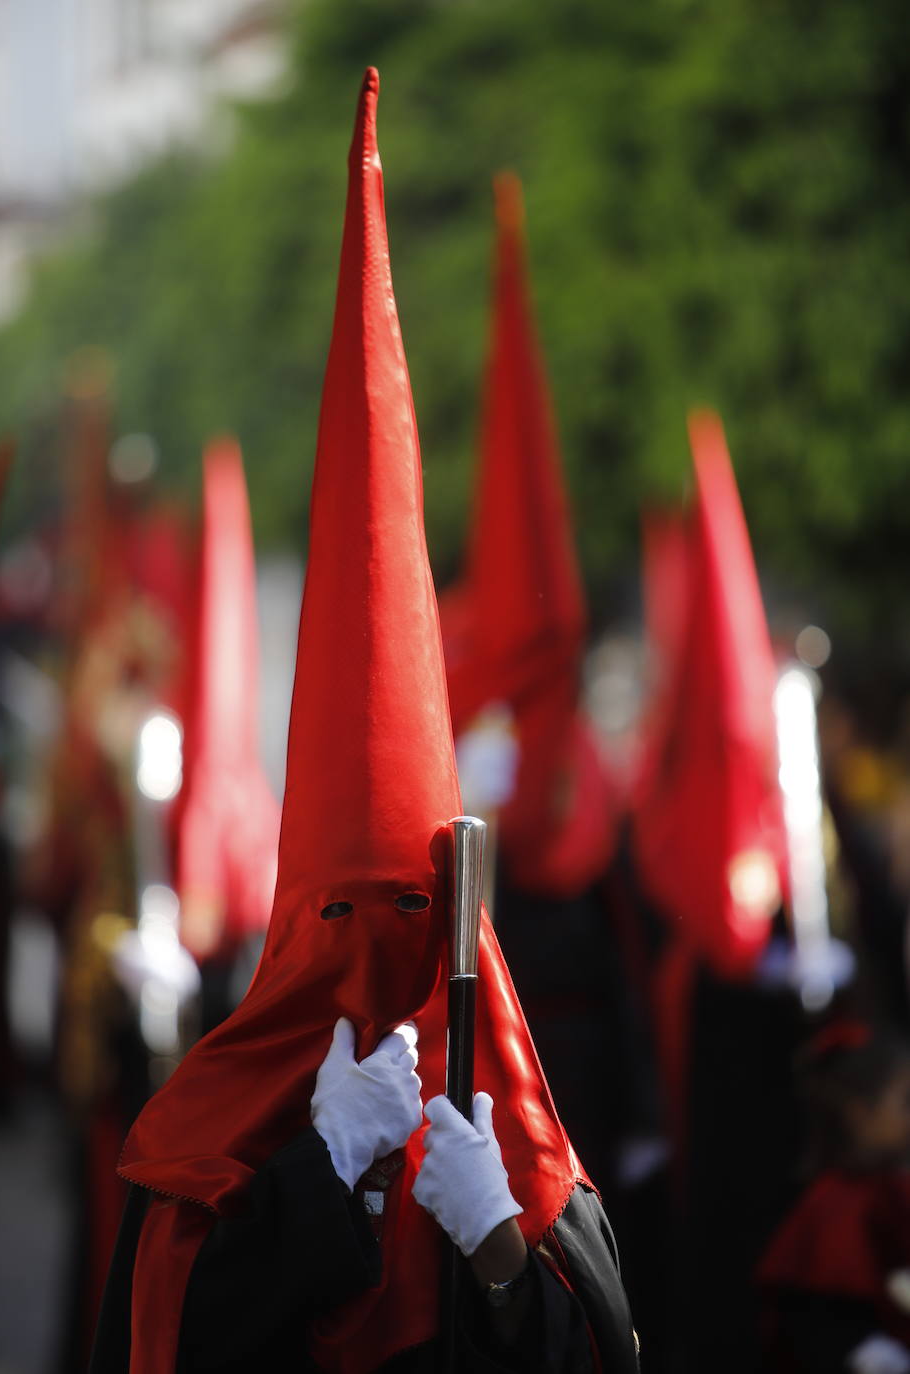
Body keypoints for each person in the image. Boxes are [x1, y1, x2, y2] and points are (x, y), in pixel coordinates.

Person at [89, 69, 639, 1374]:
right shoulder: (206, 1154)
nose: (378, 962)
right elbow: (175, 1340)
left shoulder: (516, 1138)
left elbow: (609, 1355)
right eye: (347, 918)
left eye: (408, 915)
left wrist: (504, 1242)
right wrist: (314, 1172)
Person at [757, 1023, 910, 1374]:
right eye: (904, 1102)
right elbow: (817, 1322)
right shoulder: (832, 1206)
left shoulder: (891, 1186)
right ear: (860, 1113)